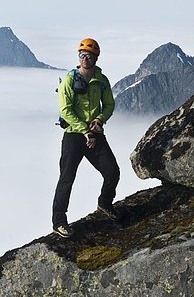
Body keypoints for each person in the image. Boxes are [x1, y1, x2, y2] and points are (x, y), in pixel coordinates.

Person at [52, 38, 120, 238]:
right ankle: (59, 222)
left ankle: (104, 203)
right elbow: (65, 111)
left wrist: (99, 120)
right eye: (82, 55)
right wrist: (85, 130)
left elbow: (109, 105)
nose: (85, 59)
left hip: (95, 133)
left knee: (112, 172)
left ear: (96, 58)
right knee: (66, 179)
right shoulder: (69, 81)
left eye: (89, 55)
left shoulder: (101, 81)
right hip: (74, 136)